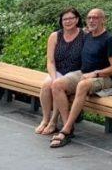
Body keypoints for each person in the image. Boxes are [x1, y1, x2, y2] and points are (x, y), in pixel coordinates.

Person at [49, 8, 112, 148]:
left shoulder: (109, 39)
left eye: (96, 17)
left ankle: (66, 130)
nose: (92, 20)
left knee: (82, 85)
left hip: (104, 79)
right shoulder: (87, 35)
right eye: (89, 18)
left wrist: (95, 73)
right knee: (57, 84)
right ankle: (67, 124)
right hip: (83, 74)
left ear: (103, 20)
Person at [35, 7, 85, 136]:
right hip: (58, 70)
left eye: (71, 18)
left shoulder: (84, 35)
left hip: (76, 72)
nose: (68, 21)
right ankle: (46, 119)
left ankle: (53, 122)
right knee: (47, 85)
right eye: (65, 19)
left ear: (77, 19)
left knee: (57, 85)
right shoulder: (55, 36)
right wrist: (53, 77)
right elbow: (50, 61)